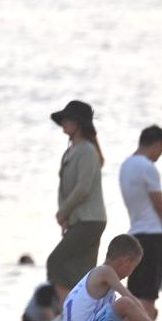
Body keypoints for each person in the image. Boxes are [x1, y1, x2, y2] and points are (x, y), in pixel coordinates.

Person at [46, 100, 107, 307]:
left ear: (78, 123)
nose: (63, 122)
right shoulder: (71, 151)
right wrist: (65, 218)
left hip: (90, 219)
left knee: (56, 262)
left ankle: (68, 312)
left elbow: (83, 188)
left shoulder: (87, 150)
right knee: (81, 271)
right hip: (79, 220)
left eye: (68, 119)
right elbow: (65, 188)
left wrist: (62, 212)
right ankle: (82, 312)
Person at [119, 125, 162, 319]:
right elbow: (159, 204)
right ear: (158, 144)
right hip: (152, 234)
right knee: (149, 293)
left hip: (134, 233)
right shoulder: (148, 167)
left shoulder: (125, 166)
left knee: (135, 289)